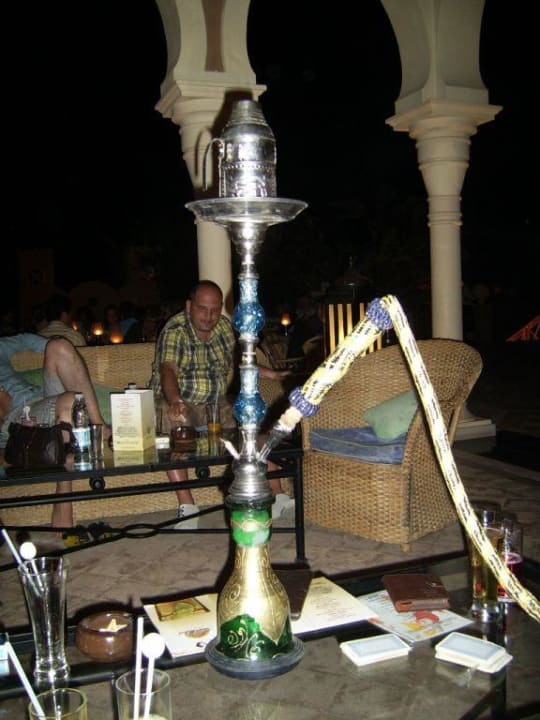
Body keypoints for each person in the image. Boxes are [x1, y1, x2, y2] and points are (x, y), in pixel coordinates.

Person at [150, 280, 294, 529]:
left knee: (251, 422)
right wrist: (175, 400)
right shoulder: (175, 330)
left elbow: (241, 360)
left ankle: (277, 495)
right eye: (202, 309)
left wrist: (271, 374)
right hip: (180, 399)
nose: (209, 316)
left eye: (215, 310)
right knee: (174, 424)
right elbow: (167, 370)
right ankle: (188, 507)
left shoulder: (224, 327)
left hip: (216, 403)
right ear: (189, 306)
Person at [0, 334, 111, 529]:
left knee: (58, 346)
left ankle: (99, 427)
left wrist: (75, 357)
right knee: (71, 402)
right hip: (15, 424)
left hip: (36, 401)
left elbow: (28, 341)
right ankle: (64, 481)